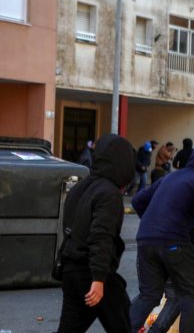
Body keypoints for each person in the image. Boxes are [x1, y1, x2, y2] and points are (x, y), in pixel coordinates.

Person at [130, 143, 194, 333]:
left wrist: (155, 225)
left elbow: (137, 200)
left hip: (145, 239)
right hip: (174, 241)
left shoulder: (170, 177)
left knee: (149, 295)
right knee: (192, 295)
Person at [56, 134, 136, 332]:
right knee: (122, 327)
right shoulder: (109, 193)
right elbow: (101, 236)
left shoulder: (82, 186)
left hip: (71, 268)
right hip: (92, 273)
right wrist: (98, 278)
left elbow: (70, 229)